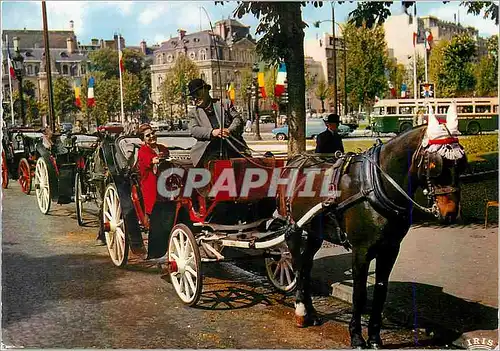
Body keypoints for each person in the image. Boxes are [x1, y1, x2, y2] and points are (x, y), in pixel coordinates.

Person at [187, 78, 250, 168]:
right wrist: (212, 132)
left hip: (233, 146)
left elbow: (238, 119)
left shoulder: (225, 104)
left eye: (197, 94)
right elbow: (193, 130)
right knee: (213, 168)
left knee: (246, 166)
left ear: (205, 91)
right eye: (192, 96)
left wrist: (229, 130)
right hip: (209, 150)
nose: (195, 99)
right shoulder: (194, 113)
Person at [136, 124, 173, 259]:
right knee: (157, 219)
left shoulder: (162, 148)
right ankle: (156, 252)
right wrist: (157, 160)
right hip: (151, 186)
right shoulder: (143, 151)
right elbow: (150, 161)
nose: (151, 136)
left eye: (152, 134)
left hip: (165, 184)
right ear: (143, 139)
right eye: (148, 135)